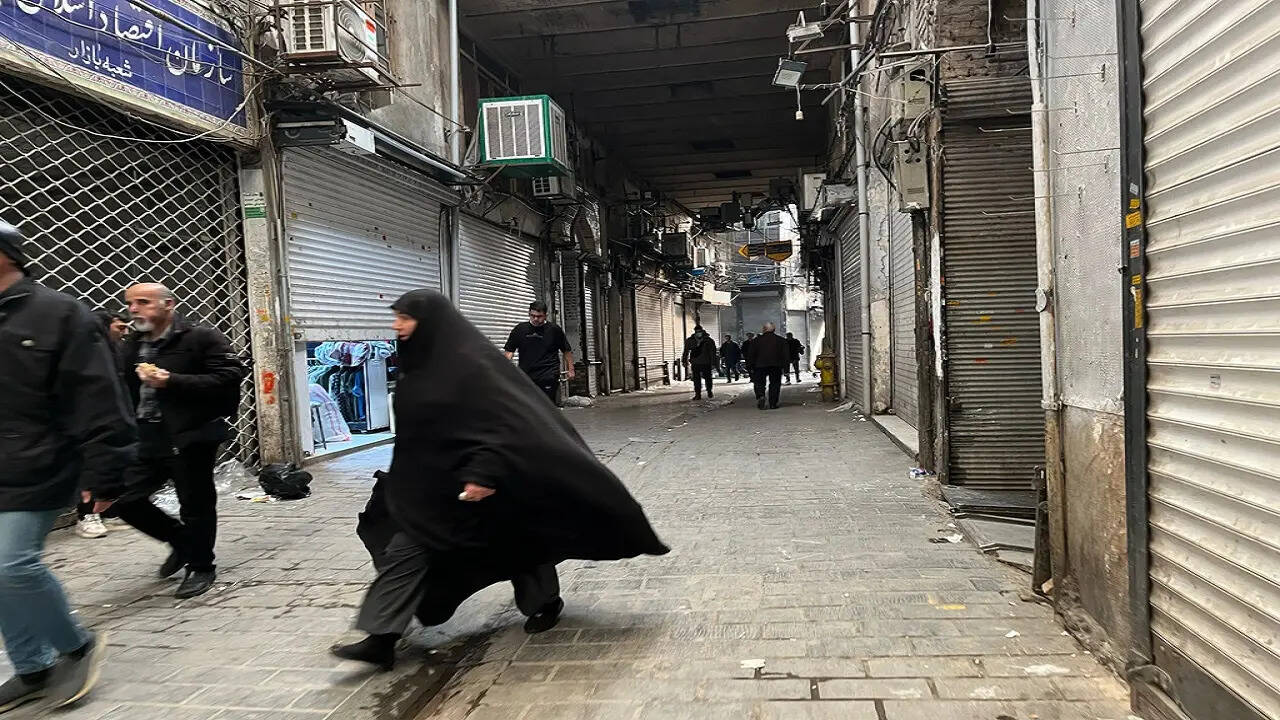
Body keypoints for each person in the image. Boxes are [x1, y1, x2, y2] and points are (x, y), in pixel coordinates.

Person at [332, 290, 669, 670]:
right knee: (405, 550)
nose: (396, 325)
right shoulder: (418, 366)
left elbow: (503, 423)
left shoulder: (470, 367)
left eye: (405, 318)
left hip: (484, 487)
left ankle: (545, 602)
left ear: (430, 322)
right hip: (435, 492)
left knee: (517, 545)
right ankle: (381, 639)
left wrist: (482, 474)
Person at [0, 221, 126, 712]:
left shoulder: (59, 313)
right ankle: (32, 668)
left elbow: (98, 397)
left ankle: (77, 646)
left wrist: (106, 473)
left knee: (12, 563)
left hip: (39, 461)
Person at [107, 283, 245, 599]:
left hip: (190, 434)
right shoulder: (133, 344)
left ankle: (201, 566)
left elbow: (229, 376)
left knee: (195, 504)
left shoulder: (200, 338)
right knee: (123, 499)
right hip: (146, 434)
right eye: (130, 303)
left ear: (168, 304)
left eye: (143, 302)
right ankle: (182, 541)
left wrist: (172, 380)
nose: (133, 309)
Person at [75, 310, 131, 540]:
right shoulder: (85, 350)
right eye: (120, 327)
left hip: (114, 414)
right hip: (89, 417)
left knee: (113, 463)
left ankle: (108, 512)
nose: (124, 332)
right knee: (90, 467)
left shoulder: (116, 349)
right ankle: (86, 515)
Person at [503, 300, 574, 406]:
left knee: (546, 406)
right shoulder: (520, 329)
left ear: (545, 315)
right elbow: (509, 351)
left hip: (548, 375)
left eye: (539, 316)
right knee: (528, 406)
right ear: (529, 314)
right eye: (533, 316)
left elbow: (566, 351)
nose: (536, 319)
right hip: (526, 375)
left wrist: (571, 370)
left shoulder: (554, 330)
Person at [746, 323, 790, 410]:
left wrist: (750, 366)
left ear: (764, 329)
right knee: (775, 384)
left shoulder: (756, 341)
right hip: (776, 365)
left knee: (759, 383)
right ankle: (773, 403)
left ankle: (761, 396)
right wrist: (786, 369)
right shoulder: (781, 340)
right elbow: (786, 356)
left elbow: (751, 355)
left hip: (759, 365)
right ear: (774, 330)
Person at [682, 325, 718, 400]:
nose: (698, 333)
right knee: (696, 379)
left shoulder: (708, 340)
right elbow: (686, 351)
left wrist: (713, 363)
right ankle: (698, 394)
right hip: (695, 362)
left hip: (706, 362)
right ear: (695, 332)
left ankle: (709, 391)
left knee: (708, 378)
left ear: (702, 331)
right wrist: (684, 360)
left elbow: (712, 352)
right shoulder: (690, 340)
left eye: (699, 331)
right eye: (697, 331)